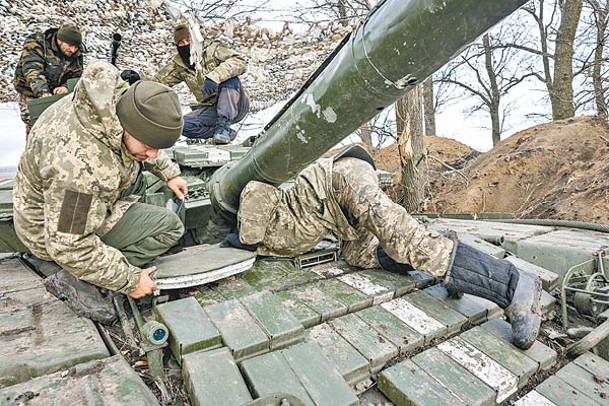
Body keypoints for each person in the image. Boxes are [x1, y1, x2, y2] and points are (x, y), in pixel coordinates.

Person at [229, 145, 542, 350]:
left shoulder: (249, 214)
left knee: (405, 240)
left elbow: (258, 189)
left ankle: (513, 286)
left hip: (342, 182)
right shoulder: (267, 242)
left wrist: (243, 242)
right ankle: (444, 247)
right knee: (358, 255)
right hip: (339, 218)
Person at [13, 59, 188, 323]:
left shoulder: (107, 104)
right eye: (150, 146)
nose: (153, 154)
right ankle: (78, 277)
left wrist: (168, 172)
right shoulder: (80, 168)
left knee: (146, 182)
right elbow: (69, 246)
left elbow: (140, 140)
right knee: (169, 227)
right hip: (50, 234)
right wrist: (129, 279)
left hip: (55, 204)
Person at [154, 23, 250, 144]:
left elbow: (239, 62)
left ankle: (223, 127)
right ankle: (221, 132)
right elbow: (158, 81)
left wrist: (214, 77)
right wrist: (136, 79)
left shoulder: (213, 49)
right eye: (181, 43)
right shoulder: (179, 65)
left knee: (230, 79)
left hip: (236, 103)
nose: (185, 45)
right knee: (182, 126)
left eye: (188, 40)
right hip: (212, 109)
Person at [13, 22, 85, 137]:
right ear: (60, 40)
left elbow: (76, 75)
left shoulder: (76, 53)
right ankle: (33, 153)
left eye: (76, 47)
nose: (73, 50)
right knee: (36, 126)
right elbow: (32, 69)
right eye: (70, 45)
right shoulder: (37, 43)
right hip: (30, 91)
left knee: (59, 127)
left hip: (56, 94)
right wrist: (43, 92)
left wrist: (65, 87)